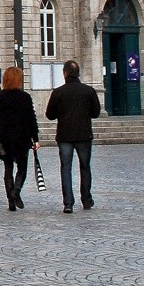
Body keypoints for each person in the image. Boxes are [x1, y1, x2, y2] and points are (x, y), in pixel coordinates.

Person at [45, 58, 102, 214]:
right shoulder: (89, 91)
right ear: (78, 74)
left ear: (65, 73)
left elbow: (50, 115)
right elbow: (96, 113)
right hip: (84, 135)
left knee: (66, 168)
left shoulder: (58, 92)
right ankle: (86, 199)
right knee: (85, 167)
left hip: (65, 136)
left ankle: (68, 203)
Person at [0, 68, 38, 211]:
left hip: (4, 136)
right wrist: (35, 139)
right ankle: (16, 191)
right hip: (22, 137)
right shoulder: (25, 97)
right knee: (22, 168)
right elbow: (31, 119)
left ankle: (10, 200)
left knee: (8, 167)